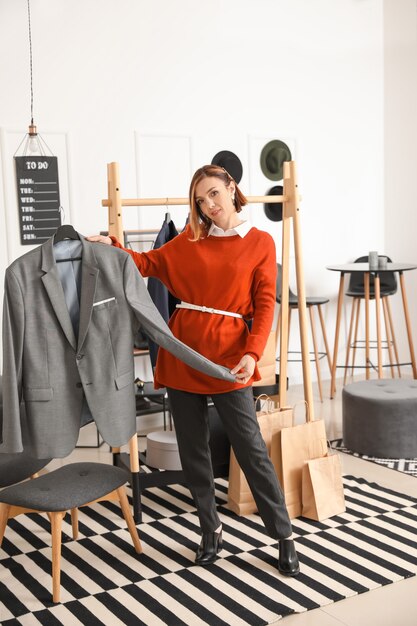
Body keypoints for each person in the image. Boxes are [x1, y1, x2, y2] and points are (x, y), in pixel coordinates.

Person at [87, 164, 300, 576]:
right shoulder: (189, 240)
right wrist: (110, 245)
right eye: (201, 200)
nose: (209, 206)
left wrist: (254, 354)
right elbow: (145, 263)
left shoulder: (260, 242)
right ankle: (210, 529)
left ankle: (283, 535)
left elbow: (266, 304)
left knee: (252, 451)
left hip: (229, 360)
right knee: (194, 452)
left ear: (231, 188)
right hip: (182, 354)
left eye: (214, 194)